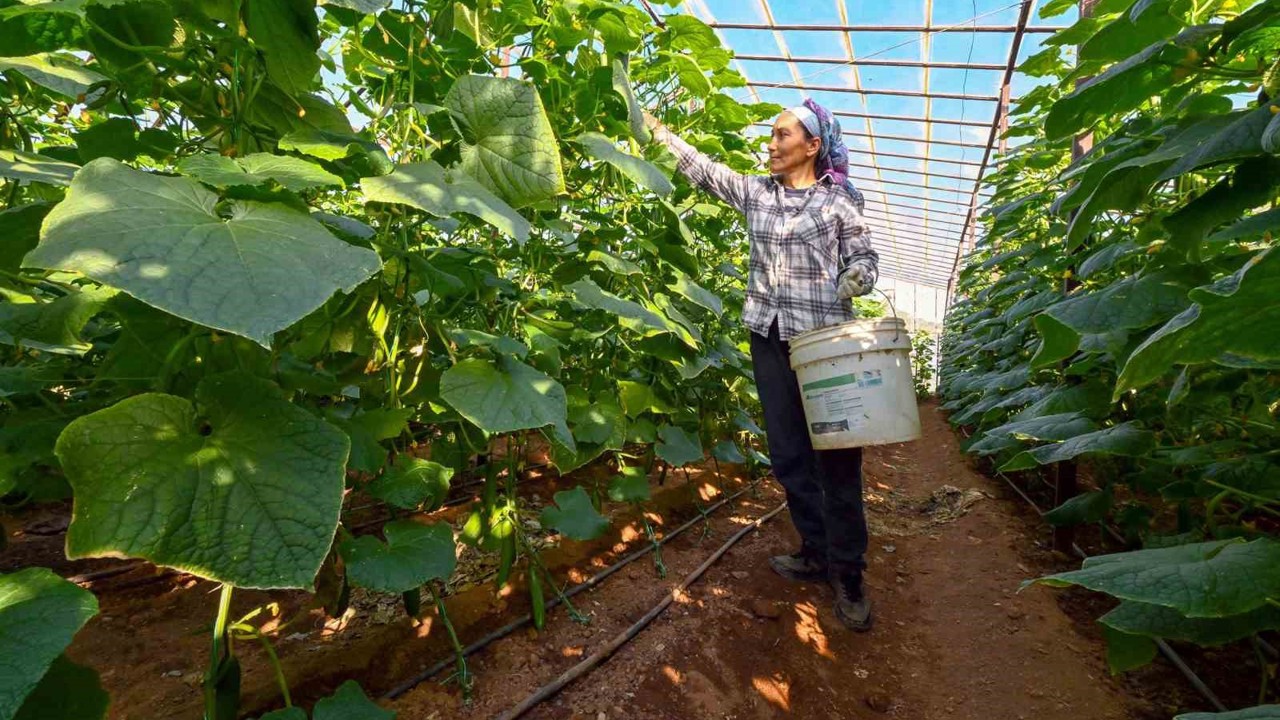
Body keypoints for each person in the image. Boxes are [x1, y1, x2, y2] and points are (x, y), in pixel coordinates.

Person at [645, 99, 879, 631]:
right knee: (789, 454)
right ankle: (816, 551)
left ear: (812, 147)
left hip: (823, 344)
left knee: (838, 460)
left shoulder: (840, 202)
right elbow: (702, 169)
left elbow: (865, 257)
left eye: (781, 136)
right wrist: (656, 130)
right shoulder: (756, 193)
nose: (770, 145)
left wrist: (857, 278)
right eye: (771, 136)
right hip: (769, 337)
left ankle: (849, 574)